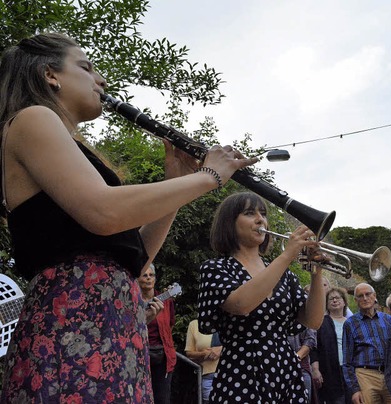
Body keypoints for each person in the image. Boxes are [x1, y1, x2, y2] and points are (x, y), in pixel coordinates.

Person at [0, 33, 255, 402]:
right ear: (49, 75)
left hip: (112, 319)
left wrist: (176, 184)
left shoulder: (66, 145)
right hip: (73, 320)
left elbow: (132, 256)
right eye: (86, 67)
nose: (101, 80)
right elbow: (104, 211)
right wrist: (209, 177)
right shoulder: (32, 118)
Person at [197, 192, 326, 403]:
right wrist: (287, 256)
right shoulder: (216, 268)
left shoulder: (284, 274)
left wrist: (316, 271)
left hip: (285, 370)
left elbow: (313, 320)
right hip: (241, 370)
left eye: (263, 214)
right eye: (250, 213)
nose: (260, 219)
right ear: (229, 223)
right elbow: (241, 304)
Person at [342, 283, 391, 404]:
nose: (365, 298)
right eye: (360, 296)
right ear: (355, 300)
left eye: (368, 294)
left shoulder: (388, 319)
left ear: (374, 295)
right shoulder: (350, 324)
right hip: (365, 375)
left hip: (389, 374)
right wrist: (355, 390)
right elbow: (347, 360)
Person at [139, 264, 177, 404]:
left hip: (162, 357)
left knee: (162, 399)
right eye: (145, 275)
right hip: (139, 356)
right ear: (137, 279)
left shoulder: (165, 301)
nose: (148, 278)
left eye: (151, 275)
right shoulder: (131, 300)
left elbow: (170, 325)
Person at [311, 287, 349, 404]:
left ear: (344, 302)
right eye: (331, 299)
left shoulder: (351, 322)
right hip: (330, 372)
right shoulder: (321, 322)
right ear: (326, 304)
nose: (334, 300)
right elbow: (314, 349)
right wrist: (315, 370)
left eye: (338, 298)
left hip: (350, 371)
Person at [184, 319, 222, 404]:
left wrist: (221, 349)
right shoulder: (194, 324)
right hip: (208, 376)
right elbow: (189, 353)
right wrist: (203, 353)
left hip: (229, 373)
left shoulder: (229, 319)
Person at [289, 328, 318, 404]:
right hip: (278, 367)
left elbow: (310, 340)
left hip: (301, 368)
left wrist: (296, 358)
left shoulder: (302, 317)